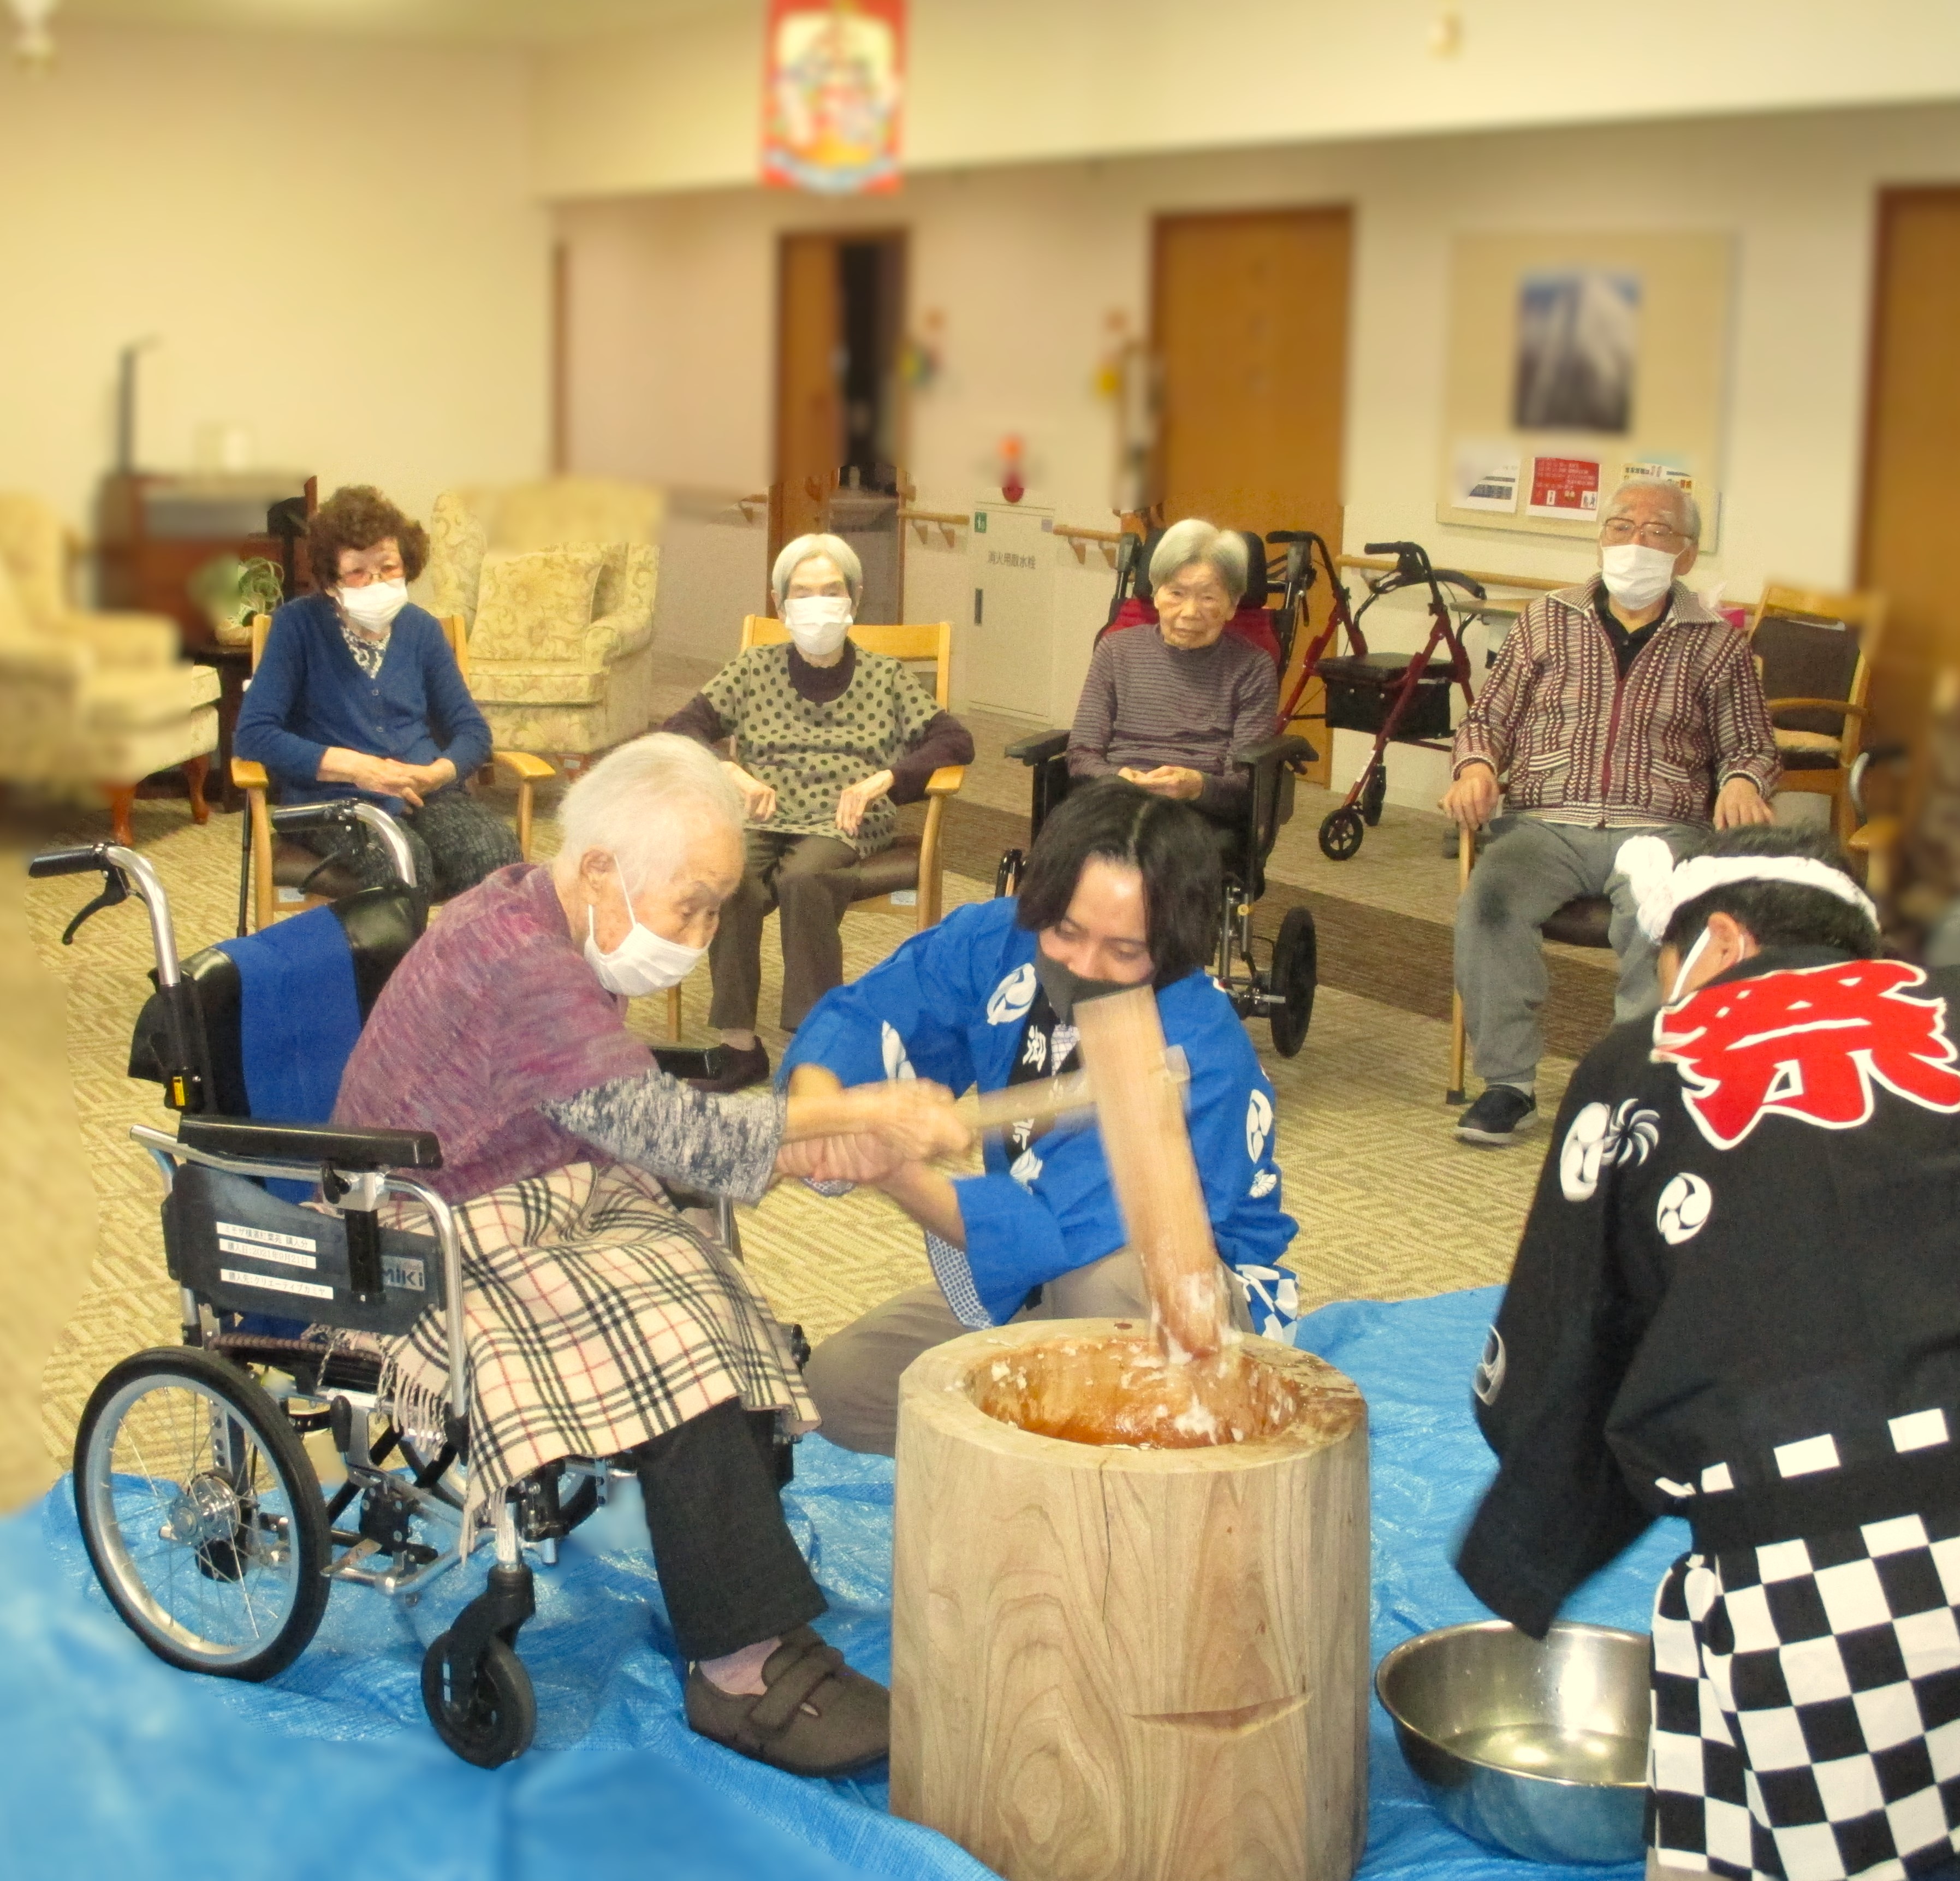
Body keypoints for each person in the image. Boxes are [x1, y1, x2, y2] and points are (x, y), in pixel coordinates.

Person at [333, 733, 972, 1776]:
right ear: (598, 868)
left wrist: (834, 1134)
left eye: (720, 905)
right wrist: (856, 1116)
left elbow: (648, 1119)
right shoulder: (521, 963)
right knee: (673, 1330)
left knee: (703, 1288)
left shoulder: (539, 906)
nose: (704, 932)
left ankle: (737, 1581)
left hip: (531, 1176)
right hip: (426, 1218)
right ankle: (740, 1669)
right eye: (695, 905)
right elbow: (678, 1139)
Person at [1457, 825, 1960, 1881]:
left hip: (1836, 1571)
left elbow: (1564, 1345)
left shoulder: (1648, 1059)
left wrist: (1528, 1543)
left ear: (1723, 943)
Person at [781, 779, 1299, 1457]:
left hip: (1182, 1303)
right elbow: (868, 1016)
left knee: (1107, 1291)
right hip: (1027, 1282)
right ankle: (1038, 1440)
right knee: (843, 1390)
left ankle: (1114, 1478)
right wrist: (825, 1109)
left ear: (1171, 945)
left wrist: (896, 1172)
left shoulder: (1196, 1049)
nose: (1084, 966)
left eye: (1124, 951)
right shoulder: (996, 940)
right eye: (1066, 931)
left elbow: (1061, 1234)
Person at [1443, 477, 1780, 1148]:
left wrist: (1742, 781)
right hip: (1544, 821)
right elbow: (1487, 719)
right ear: (1600, 536)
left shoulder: (1715, 643)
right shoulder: (1545, 619)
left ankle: (1635, 1083)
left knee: (1655, 920)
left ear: (1685, 555)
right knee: (1487, 905)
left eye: (1657, 532)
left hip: (1659, 826)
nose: (1635, 542)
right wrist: (1476, 764)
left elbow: (1750, 744)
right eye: (1621, 526)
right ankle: (1507, 1085)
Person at [662, 532, 974, 1093]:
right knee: (728, 880)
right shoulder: (753, 668)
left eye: (831, 590)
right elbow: (681, 727)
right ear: (781, 607)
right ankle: (738, 1046)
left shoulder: (885, 676)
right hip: (761, 813)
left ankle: (814, 1047)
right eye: (802, 593)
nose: (818, 603)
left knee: (805, 877)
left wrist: (888, 777)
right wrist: (729, 773)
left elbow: (952, 739)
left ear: (853, 599)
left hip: (844, 817)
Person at [234, 484, 520, 899]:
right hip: (336, 800)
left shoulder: (422, 629)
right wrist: (360, 769)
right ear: (331, 581)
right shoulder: (297, 626)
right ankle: (394, 967)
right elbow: (255, 734)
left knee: (495, 854)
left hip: (424, 788)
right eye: (357, 572)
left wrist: (433, 774)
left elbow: (473, 732)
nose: (376, 582)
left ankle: (463, 965)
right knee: (403, 860)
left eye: (388, 567)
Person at [1067, 518, 1280, 864]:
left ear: (1232, 604)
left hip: (1195, 813)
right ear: (1156, 593)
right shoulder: (1116, 650)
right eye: (1177, 594)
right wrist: (1117, 778)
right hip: (1114, 799)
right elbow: (1081, 754)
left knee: (1156, 856)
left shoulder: (1252, 666)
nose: (1189, 613)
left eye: (1208, 597)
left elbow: (1245, 784)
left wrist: (1196, 785)